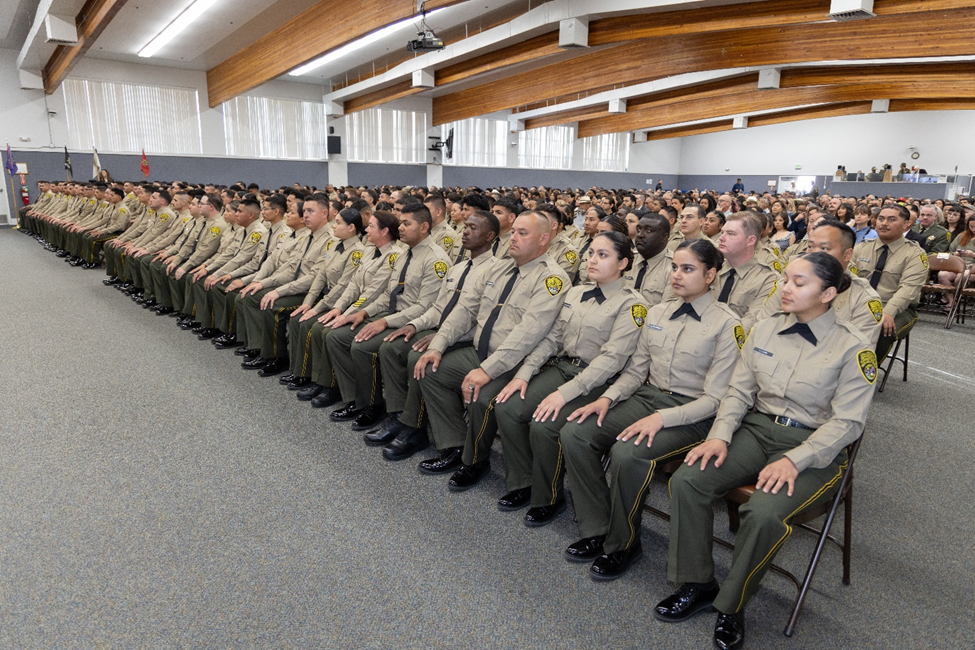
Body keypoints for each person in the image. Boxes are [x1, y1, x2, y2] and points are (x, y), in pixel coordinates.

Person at [654, 252, 877, 650]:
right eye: (786, 279)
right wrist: (719, 435)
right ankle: (698, 582)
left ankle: (731, 605)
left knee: (763, 511)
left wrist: (796, 459)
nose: (785, 288)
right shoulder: (764, 330)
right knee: (689, 480)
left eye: (798, 282)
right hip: (757, 431)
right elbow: (739, 392)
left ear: (827, 293)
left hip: (813, 446)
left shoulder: (853, 347)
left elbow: (847, 424)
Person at [559, 238, 742, 576]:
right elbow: (635, 371)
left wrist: (662, 418)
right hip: (647, 398)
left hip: (692, 412)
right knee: (576, 433)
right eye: (674, 267)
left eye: (688, 269)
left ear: (711, 274)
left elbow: (716, 399)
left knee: (628, 454)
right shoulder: (658, 312)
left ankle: (623, 543)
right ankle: (598, 527)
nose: (676, 275)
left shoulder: (727, 325)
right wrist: (607, 398)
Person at [492, 232, 645, 526]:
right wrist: (524, 373)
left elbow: (611, 359)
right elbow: (552, 339)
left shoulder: (632, 305)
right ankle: (523, 482)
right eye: (591, 253)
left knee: (544, 425)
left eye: (603, 255)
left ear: (624, 263)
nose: (592, 260)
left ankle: (548, 496)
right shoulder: (576, 292)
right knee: (508, 407)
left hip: (598, 380)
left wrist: (564, 394)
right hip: (562, 367)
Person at [414, 211, 570, 492]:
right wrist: (437, 346)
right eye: (514, 232)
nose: (513, 238)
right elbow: (465, 310)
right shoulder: (498, 268)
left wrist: (486, 371)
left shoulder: (552, 280)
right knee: (429, 368)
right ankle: (453, 445)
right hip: (480, 352)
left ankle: (474, 461)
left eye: (524, 233)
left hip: (515, 364)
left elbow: (527, 334)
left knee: (481, 395)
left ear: (544, 239)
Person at [373, 210, 500, 464]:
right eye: (465, 227)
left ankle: (415, 428)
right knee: (391, 348)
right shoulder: (458, 268)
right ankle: (399, 416)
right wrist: (414, 324)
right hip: (443, 331)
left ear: (491, 236)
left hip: (463, 338)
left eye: (474, 228)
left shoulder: (494, 272)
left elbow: (477, 320)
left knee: (417, 359)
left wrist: (440, 337)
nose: (465, 231)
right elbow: (438, 308)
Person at [852, 204, 928, 359]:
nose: (884, 223)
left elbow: (908, 290)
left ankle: (865, 372)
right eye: (881, 219)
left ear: (907, 224)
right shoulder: (861, 248)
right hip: (860, 302)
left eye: (891, 219)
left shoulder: (915, 254)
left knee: (881, 328)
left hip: (898, 307)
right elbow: (847, 278)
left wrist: (888, 312)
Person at [941, 213, 975, 310]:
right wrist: (955, 254)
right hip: (957, 264)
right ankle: (952, 301)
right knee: (942, 275)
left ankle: (953, 300)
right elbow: (950, 251)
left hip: (972, 267)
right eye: (971, 226)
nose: (973, 229)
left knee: (961, 277)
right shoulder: (962, 235)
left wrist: (973, 255)